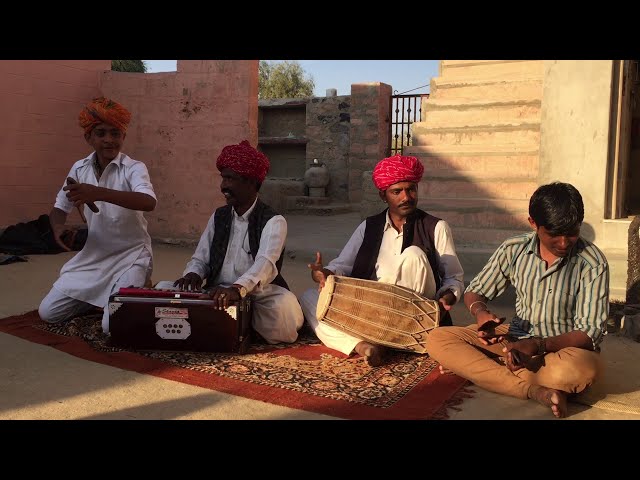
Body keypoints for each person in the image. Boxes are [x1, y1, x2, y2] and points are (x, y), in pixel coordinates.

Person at [425, 182, 609, 418]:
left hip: (564, 350)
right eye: (553, 234)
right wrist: (481, 314)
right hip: (514, 338)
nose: (563, 243)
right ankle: (535, 391)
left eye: (571, 233)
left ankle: (483, 370)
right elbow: (475, 292)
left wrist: (537, 346)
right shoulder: (514, 249)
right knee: (438, 338)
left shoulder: (592, 262)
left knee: (581, 371)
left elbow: (590, 333)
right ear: (533, 223)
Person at [299, 154, 464, 366]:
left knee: (413, 255)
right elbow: (342, 266)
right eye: (397, 192)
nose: (406, 197)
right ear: (382, 195)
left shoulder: (436, 227)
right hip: (372, 312)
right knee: (310, 298)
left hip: (413, 313)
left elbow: (454, 277)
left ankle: (392, 338)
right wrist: (324, 274)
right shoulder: (368, 226)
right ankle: (365, 346)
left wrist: (448, 296)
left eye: (411, 189)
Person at [39, 97, 157, 333]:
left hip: (131, 255)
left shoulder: (134, 168)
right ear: (89, 138)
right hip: (94, 256)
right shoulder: (79, 168)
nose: (109, 140)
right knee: (49, 313)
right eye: (101, 133)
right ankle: (113, 298)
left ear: (123, 137)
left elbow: (148, 202)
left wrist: (97, 193)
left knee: (110, 326)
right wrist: (58, 227)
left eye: (115, 133)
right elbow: (60, 208)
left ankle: (138, 284)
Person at [173, 140, 304, 344]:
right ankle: (239, 324)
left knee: (283, 307)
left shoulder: (273, 220)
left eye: (230, 179)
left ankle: (242, 323)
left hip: (258, 294)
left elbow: (265, 264)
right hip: (216, 292)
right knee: (167, 289)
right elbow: (201, 257)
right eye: (223, 178)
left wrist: (237, 289)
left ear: (251, 182)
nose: (223, 186)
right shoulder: (219, 216)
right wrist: (193, 273)